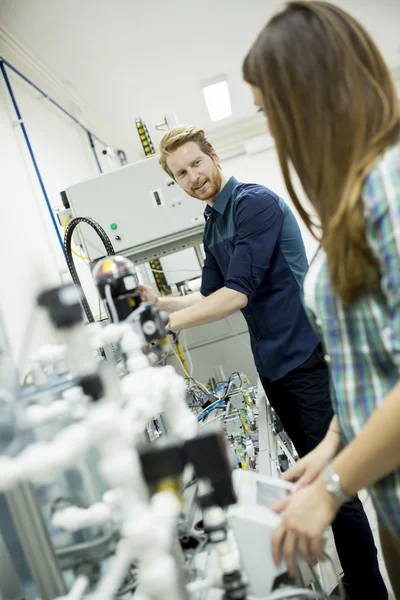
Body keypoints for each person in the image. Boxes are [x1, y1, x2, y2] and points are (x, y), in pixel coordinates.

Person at [139, 125, 387, 598]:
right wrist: (160, 301)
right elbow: (209, 292)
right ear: (174, 182)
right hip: (275, 367)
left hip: (308, 356)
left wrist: (167, 328)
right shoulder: (213, 221)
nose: (192, 177)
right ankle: (359, 581)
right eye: (181, 173)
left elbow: (235, 296)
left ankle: (369, 590)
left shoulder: (254, 203)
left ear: (213, 156)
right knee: (315, 477)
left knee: (333, 482)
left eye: (196, 163)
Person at [243, 0, 400, 596]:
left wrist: (334, 487)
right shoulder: (354, 195)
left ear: (308, 99)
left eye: (270, 112)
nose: (273, 132)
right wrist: (334, 444)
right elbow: (376, 359)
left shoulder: (392, 185)